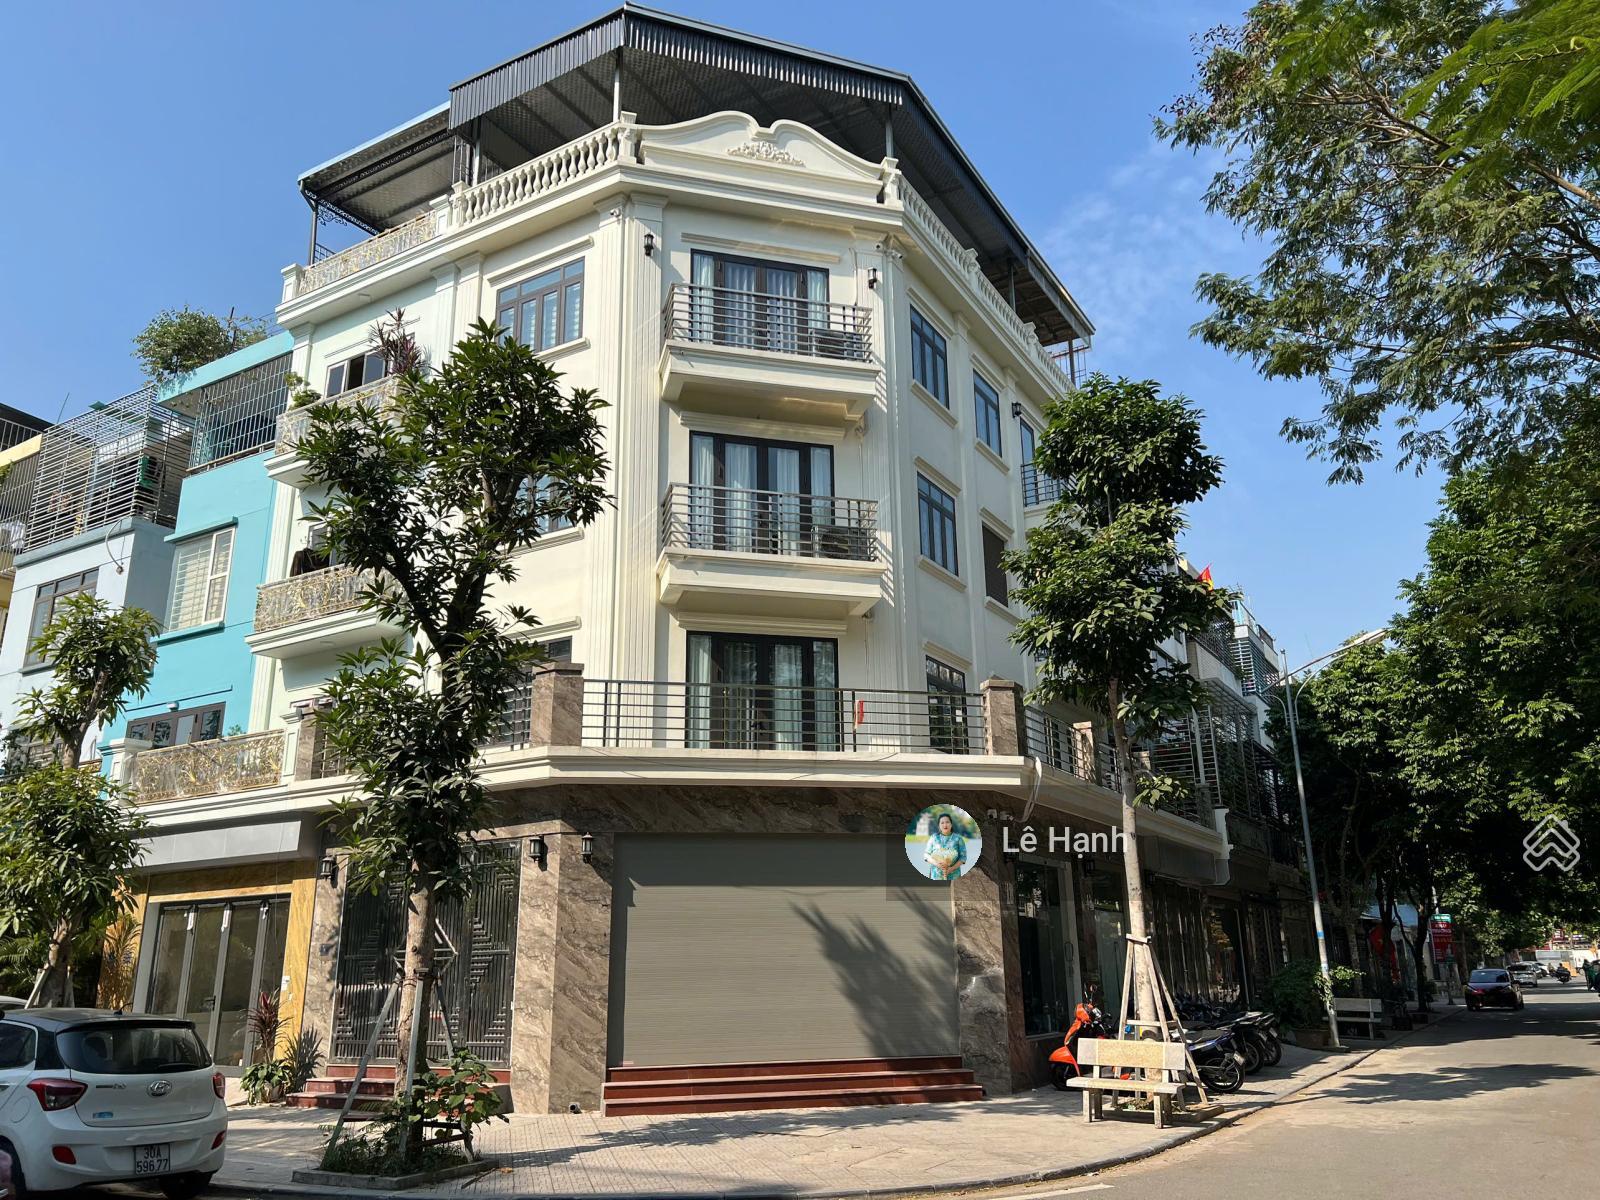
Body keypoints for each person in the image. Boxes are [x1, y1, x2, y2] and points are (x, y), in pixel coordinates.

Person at [922, 812, 968, 880]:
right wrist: (937, 864)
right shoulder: (934, 838)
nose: (945, 825)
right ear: (939, 825)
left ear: (951, 824)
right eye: (942, 823)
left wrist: (951, 869)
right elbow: (926, 855)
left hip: (954, 875)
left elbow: (963, 857)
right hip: (936, 875)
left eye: (947, 822)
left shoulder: (958, 838)